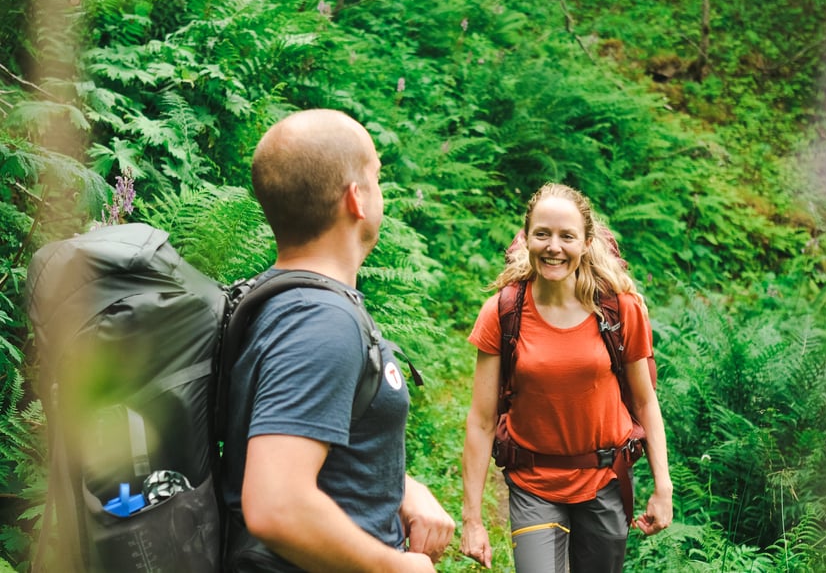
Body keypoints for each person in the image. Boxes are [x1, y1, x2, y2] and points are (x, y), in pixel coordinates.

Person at [221, 109, 455, 572]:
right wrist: (393, 567)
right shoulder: (320, 323)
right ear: (356, 199)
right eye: (376, 177)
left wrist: (401, 487)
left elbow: (305, 442)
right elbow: (276, 504)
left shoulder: (290, 301)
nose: (379, 189)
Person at [460, 183, 673, 572]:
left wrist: (664, 486)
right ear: (527, 239)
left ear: (587, 242)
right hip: (533, 484)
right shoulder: (503, 312)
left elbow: (645, 401)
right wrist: (472, 519)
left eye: (566, 236)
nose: (553, 247)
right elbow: (480, 420)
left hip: (604, 480)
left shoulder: (620, 311)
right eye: (542, 234)